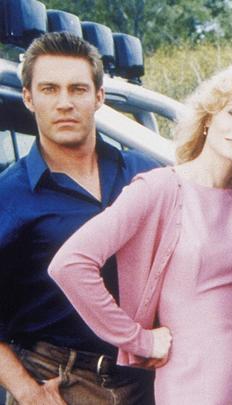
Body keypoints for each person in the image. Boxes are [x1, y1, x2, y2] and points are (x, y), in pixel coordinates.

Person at [48, 64, 232, 404]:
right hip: (189, 373)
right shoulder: (159, 188)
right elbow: (69, 264)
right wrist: (137, 339)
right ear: (209, 117)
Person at [0, 32, 157, 405]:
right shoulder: (9, 194)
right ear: (28, 97)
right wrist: (27, 392)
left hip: (149, 379)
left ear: (98, 97)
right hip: (58, 381)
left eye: (78, 89)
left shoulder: (145, 173)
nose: (65, 103)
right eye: (49, 89)